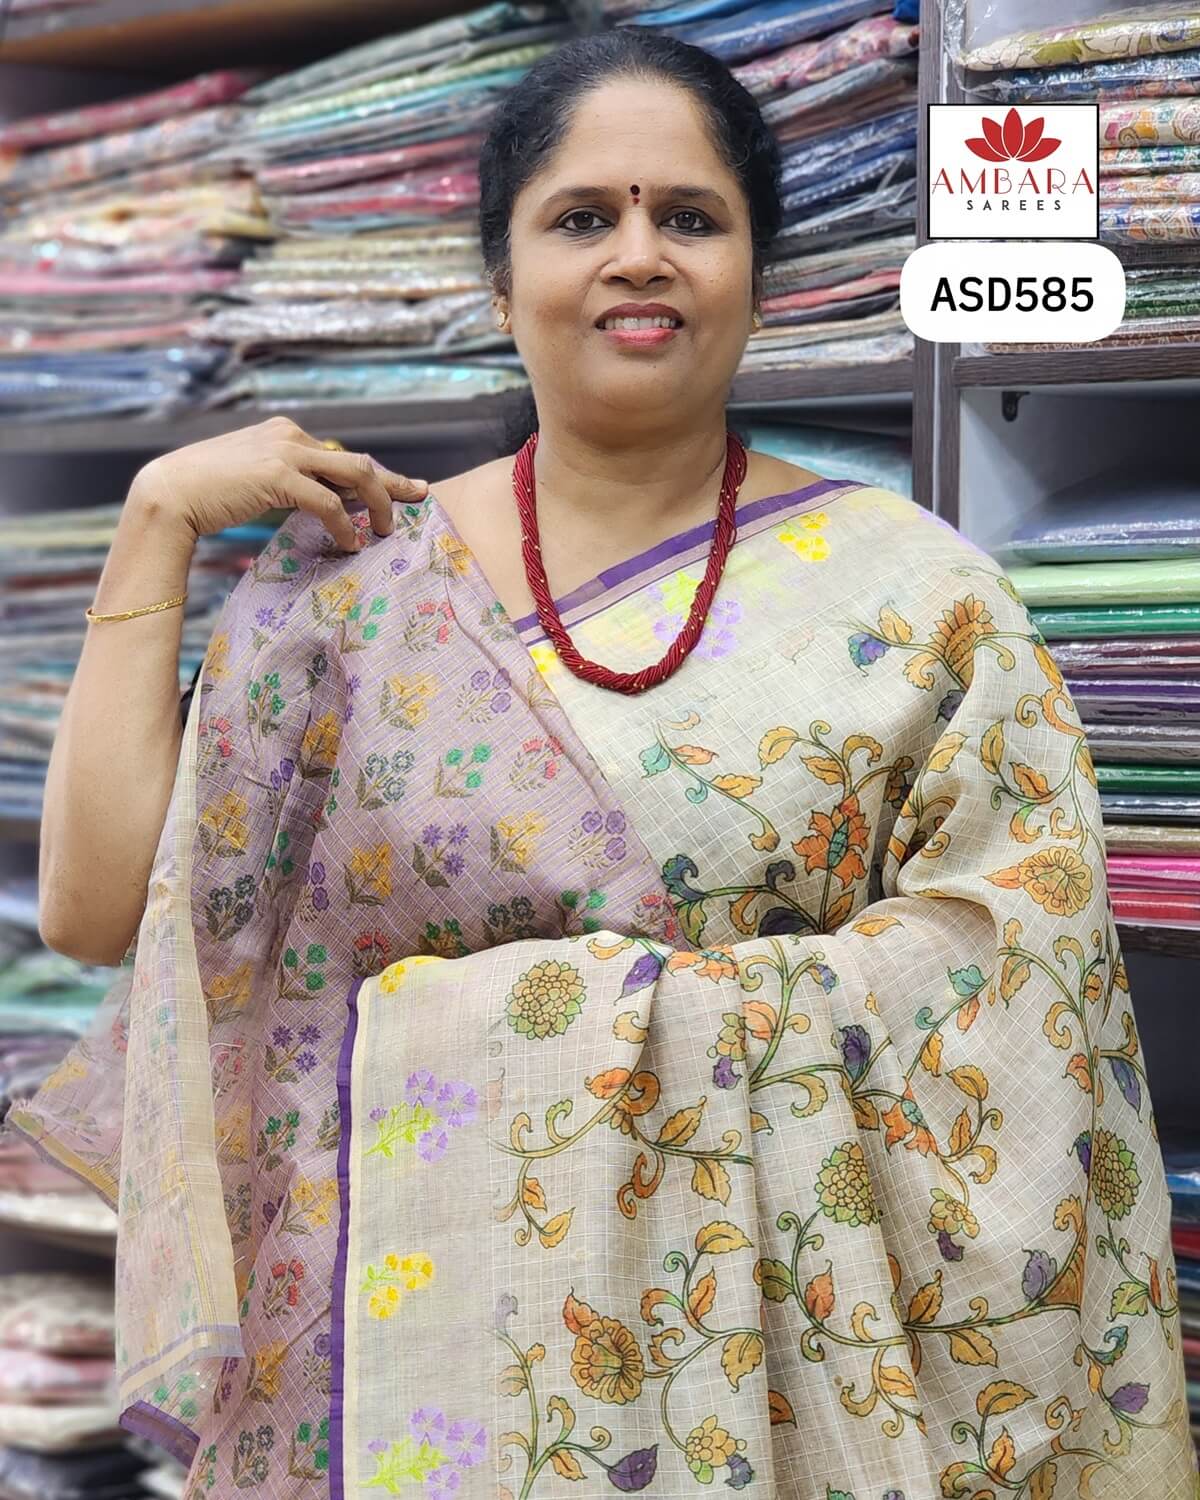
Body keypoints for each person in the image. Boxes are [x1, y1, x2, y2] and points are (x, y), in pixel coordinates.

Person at [10, 30, 1193, 1500]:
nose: (640, 255)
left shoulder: (920, 592)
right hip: (397, 1365)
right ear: (499, 284)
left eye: (691, 217)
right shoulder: (358, 592)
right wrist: (154, 520)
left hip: (775, 1378)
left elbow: (1027, 985)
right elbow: (98, 912)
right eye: (582, 218)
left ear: (756, 275)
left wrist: (568, 1024)